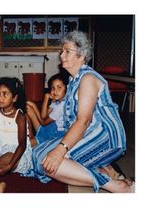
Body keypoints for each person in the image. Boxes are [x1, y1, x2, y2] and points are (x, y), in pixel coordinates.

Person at [25, 31, 133, 192]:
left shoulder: (88, 79)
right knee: (38, 153)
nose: (62, 55)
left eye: (67, 51)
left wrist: (60, 150)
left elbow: (84, 120)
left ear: (82, 55)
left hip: (105, 135)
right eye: (62, 51)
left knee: (52, 162)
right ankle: (103, 168)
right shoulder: (73, 81)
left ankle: (116, 186)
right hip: (86, 133)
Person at [26, 72, 68, 146]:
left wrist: (34, 106)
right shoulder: (56, 102)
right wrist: (46, 97)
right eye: (53, 88)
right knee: (28, 107)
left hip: (54, 135)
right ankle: (31, 135)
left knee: (26, 143)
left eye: (59, 87)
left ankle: (33, 140)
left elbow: (43, 122)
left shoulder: (62, 106)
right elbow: (43, 116)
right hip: (48, 128)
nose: (55, 91)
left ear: (66, 89)